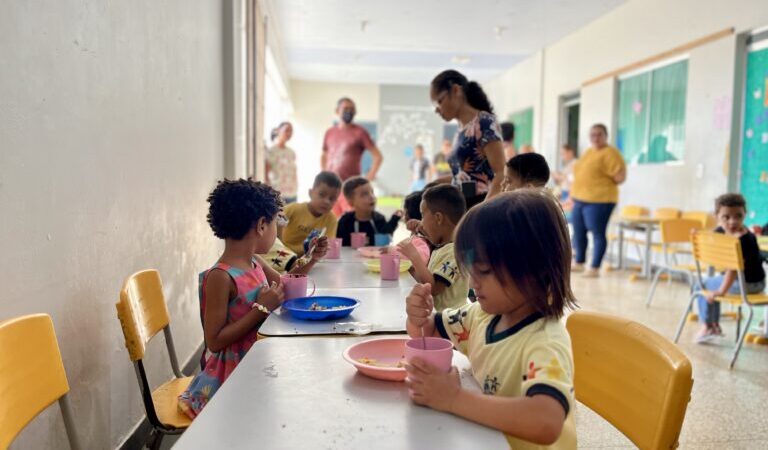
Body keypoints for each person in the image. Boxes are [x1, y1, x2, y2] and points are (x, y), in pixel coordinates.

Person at [404, 190, 577, 447]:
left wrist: (454, 398)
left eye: (483, 271)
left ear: (533, 270)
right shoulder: (481, 316)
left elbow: (546, 421)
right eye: (471, 271)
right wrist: (418, 314)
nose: (473, 283)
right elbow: (427, 330)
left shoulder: (544, 341)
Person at [179, 179, 287, 418]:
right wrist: (261, 309)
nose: (277, 230)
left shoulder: (255, 262)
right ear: (261, 225)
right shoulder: (221, 276)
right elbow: (214, 341)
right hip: (230, 377)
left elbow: (283, 284)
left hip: (256, 361)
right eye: (275, 223)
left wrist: (311, 258)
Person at [694, 194, 766, 344]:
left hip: (747, 285)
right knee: (709, 283)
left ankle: (709, 326)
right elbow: (710, 239)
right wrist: (698, 235)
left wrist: (721, 291)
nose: (732, 221)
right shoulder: (721, 231)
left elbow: (733, 270)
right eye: (726, 217)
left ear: (744, 215)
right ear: (717, 217)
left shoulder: (744, 239)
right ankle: (712, 324)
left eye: (738, 216)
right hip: (753, 282)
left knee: (704, 285)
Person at [430, 70, 505, 209]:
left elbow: (501, 173)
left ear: (456, 90)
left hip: (480, 205)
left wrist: (482, 210)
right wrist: (435, 184)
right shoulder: (460, 130)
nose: (437, 110)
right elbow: (464, 175)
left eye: (439, 101)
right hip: (462, 204)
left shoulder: (484, 122)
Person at [397, 185, 468, 311]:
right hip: (438, 317)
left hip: (450, 323)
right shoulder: (442, 248)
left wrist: (414, 256)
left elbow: (434, 288)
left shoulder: (455, 252)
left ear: (438, 218)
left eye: (423, 216)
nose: (421, 223)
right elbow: (427, 280)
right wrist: (412, 270)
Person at [570, 124, 627, 278]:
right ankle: (580, 262)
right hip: (580, 198)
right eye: (593, 134)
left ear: (606, 136)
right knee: (579, 231)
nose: (596, 138)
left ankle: (594, 267)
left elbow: (620, 176)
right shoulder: (588, 152)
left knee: (597, 233)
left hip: (600, 200)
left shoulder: (610, 153)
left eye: (599, 134)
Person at [322, 97, 384, 215]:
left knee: (350, 224)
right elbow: (324, 155)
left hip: (350, 189)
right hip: (331, 188)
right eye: (345, 108)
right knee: (332, 224)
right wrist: (324, 174)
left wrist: (366, 180)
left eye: (352, 109)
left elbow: (378, 157)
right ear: (337, 111)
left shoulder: (360, 132)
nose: (349, 111)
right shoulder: (330, 132)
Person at [280, 171, 342, 255]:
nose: (327, 201)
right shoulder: (294, 209)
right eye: (321, 194)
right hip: (283, 254)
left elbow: (326, 246)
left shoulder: (331, 220)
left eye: (332, 198)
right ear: (310, 193)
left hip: (311, 258)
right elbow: (275, 221)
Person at [336, 176, 402, 246]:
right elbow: (340, 244)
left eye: (372, 192)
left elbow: (386, 234)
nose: (371, 197)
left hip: (375, 256)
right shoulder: (345, 221)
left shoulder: (379, 218)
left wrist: (394, 219)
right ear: (351, 203)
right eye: (364, 194)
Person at [265, 122, 298, 203]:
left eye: (291, 131)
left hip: (293, 194)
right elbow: (266, 175)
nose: (289, 133)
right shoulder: (271, 151)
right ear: (278, 130)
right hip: (277, 194)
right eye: (287, 130)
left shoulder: (291, 152)